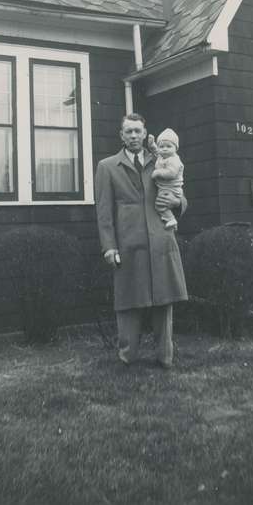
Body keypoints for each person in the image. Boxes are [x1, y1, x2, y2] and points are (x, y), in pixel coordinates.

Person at [95, 113, 188, 368]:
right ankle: (127, 358)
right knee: (128, 302)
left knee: (164, 301)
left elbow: (178, 191)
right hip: (128, 243)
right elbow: (103, 211)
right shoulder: (107, 167)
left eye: (138, 131)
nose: (133, 136)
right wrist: (109, 246)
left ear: (145, 133)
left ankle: (165, 358)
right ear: (121, 135)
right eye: (128, 131)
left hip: (160, 241)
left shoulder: (161, 161)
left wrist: (178, 203)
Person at [148, 128, 184, 231]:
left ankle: (170, 219)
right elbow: (156, 151)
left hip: (171, 189)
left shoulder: (174, 160)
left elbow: (172, 173)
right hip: (165, 187)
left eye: (169, 146)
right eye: (162, 146)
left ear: (175, 148)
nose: (164, 149)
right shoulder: (162, 156)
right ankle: (171, 221)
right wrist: (152, 145)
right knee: (161, 203)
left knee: (160, 204)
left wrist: (158, 172)